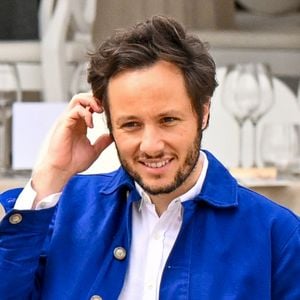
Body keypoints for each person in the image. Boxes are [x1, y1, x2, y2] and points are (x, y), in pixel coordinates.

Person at [0, 15, 299, 300]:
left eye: (168, 120)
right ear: (109, 124)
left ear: (203, 112)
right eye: (131, 125)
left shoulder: (277, 236)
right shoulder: (62, 212)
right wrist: (50, 174)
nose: (151, 145)